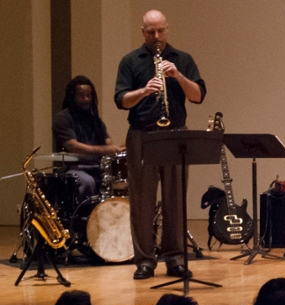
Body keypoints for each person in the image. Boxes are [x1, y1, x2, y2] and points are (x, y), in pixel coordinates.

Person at [114, 9, 206, 280]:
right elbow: (121, 100)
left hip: (175, 135)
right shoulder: (130, 61)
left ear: (167, 29)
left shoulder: (182, 60)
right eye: (150, 32)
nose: (156, 37)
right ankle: (144, 260)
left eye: (160, 31)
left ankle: (175, 258)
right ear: (143, 32)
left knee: (175, 201)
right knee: (142, 202)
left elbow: (198, 96)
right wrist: (144, 91)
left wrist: (178, 76)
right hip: (142, 134)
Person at [52, 76, 124, 200]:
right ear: (72, 96)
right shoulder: (62, 118)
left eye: (89, 95)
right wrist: (105, 150)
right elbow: (73, 146)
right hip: (73, 169)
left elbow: (107, 142)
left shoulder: (94, 120)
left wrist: (120, 148)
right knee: (87, 182)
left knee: (122, 182)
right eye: (81, 95)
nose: (86, 99)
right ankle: (84, 217)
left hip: (98, 168)